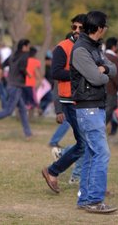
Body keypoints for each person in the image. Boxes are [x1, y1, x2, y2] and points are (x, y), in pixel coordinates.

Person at [71, 10, 116, 213]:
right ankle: (94, 200)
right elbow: (96, 79)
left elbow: (112, 68)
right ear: (99, 28)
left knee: (91, 154)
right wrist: (103, 73)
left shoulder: (95, 47)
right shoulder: (81, 50)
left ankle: (86, 200)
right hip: (87, 107)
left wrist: (103, 69)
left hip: (96, 105)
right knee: (102, 153)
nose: (105, 29)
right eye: (105, 26)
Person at [41, 14, 86, 194]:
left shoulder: (88, 48)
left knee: (89, 144)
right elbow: (56, 74)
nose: (76, 31)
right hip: (70, 101)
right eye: (74, 27)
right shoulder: (62, 47)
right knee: (85, 144)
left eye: (80, 28)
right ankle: (54, 170)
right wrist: (59, 108)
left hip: (86, 101)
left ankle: (90, 182)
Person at [0, 39, 33, 139]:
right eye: (28, 46)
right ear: (24, 47)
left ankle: (28, 133)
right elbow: (22, 68)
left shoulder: (13, 55)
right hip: (16, 86)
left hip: (10, 85)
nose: (29, 48)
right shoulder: (25, 55)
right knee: (9, 111)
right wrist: (28, 74)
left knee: (22, 109)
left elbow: (2, 66)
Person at [104, 37, 118, 136]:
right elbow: (117, 78)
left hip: (97, 89)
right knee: (108, 112)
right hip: (111, 91)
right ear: (114, 47)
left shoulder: (100, 55)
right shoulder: (115, 59)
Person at [23, 47, 42, 115]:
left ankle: (26, 111)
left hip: (23, 84)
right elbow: (37, 74)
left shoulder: (24, 60)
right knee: (34, 101)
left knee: (25, 100)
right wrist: (39, 82)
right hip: (31, 84)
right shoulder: (36, 62)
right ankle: (39, 110)